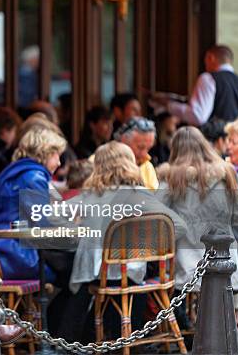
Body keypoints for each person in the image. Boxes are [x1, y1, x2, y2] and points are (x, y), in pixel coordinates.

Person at [64, 141, 187, 342]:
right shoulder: (140, 196)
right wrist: (144, 247)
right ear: (129, 163)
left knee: (79, 288)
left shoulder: (91, 196)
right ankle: (127, 338)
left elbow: (57, 214)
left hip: (96, 273)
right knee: (136, 276)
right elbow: (179, 226)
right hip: (131, 271)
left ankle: (71, 340)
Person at [157, 127, 238, 326]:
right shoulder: (227, 173)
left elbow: (157, 216)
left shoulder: (171, 177)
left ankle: (188, 326)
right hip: (225, 257)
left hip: (187, 258)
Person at [0, 127, 66, 280]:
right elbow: (43, 224)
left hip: (3, 251)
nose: (59, 162)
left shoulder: (19, 170)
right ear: (46, 153)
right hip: (19, 257)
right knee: (75, 270)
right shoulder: (33, 177)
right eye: (57, 155)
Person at [151, 45, 238, 125]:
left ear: (210, 58)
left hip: (215, 147)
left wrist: (169, 105)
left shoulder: (208, 79)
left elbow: (198, 116)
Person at [113, 117, 159, 189]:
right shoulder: (100, 163)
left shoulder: (147, 166)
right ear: (123, 140)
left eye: (148, 148)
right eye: (140, 147)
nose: (144, 154)